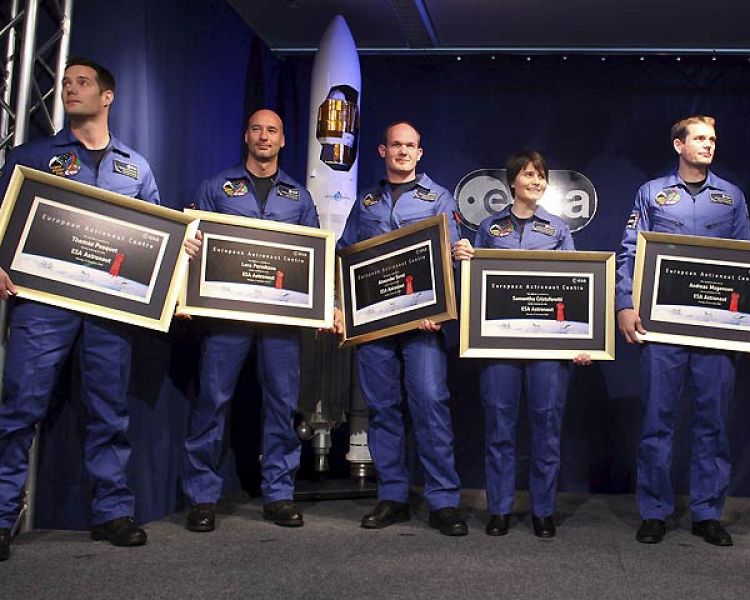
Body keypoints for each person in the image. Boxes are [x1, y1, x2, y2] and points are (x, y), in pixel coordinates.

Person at [0, 57, 199, 562]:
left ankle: (112, 511)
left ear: (106, 97)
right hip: (42, 305)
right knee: (21, 406)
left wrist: (180, 261)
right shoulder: (33, 157)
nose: (70, 89)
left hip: (111, 312)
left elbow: (160, 238)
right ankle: (1, 515)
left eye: (81, 83)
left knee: (108, 411)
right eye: (65, 83)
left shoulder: (135, 167)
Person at [616, 115, 750, 546]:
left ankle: (707, 512)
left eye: (712, 139)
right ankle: (655, 511)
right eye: (699, 138)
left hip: (715, 333)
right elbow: (629, 253)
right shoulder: (652, 194)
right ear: (679, 145)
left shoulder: (731, 198)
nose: (708, 145)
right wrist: (624, 305)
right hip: (663, 329)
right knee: (658, 421)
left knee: (712, 422)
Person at [182, 109, 319, 533]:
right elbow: (192, 247)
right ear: (246, 136)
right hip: (226, 317)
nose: (264, 136)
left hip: (281, 320)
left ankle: (279, 495)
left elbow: (314, 256)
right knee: (213, 401)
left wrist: (322, 304)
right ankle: (203, 497)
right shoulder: (215, 187)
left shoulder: (299, 197)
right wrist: (184, 294)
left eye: (273, 130)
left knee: (282, 404)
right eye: (257, 129)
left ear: (283, 141)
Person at [336, 121, 467, 535]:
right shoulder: (367, 201)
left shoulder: (439, 198)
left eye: (411, 145)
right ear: (382, 151)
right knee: (382, 409)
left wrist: (441, 303)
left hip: (422, 324)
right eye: (396, 145)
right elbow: (346, 257)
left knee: (430, 405)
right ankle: (392, 496)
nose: (403, 151)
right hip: (374, 325)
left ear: (420, 153)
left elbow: (448, 256)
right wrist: (341, 307)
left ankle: (443, 501)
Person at [453, 151, 591, 537]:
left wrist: (584, 341)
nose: (536, 181)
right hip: (499, 344)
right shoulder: (488, 230)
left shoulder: (559, 230)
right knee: (499, 425)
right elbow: (474, 287)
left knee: (547, 425)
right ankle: (499, 508)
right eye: (529, 174)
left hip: (547, 348)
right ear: (513, 180)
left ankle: (542, 510)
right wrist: (463, 259)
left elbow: (577, 286)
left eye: (542, 176)